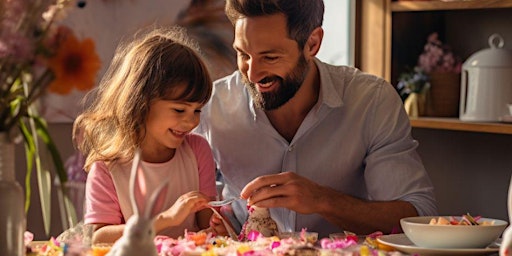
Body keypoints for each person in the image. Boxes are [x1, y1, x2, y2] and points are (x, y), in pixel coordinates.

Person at [195, 0, 437, 238]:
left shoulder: (371, 102)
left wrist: (323, 200)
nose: (253, 73)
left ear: (312, 43)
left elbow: (419, 215)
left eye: (270, 57)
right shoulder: (210, 107)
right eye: (243, 54)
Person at [75, 26, 217, 243]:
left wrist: (222, 222)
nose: (191, 121)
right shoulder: (107, 169)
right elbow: (100, 238)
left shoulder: (197, 150)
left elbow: (208, 223)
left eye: (197, 110)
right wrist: (166, 219)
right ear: (141, 102)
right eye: (179, 110)